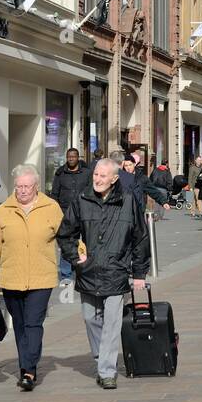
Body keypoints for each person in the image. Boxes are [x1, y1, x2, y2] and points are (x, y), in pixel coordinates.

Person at [57, 158, 150, 389]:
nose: (97, 179)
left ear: (114, 179)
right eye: (96, 174)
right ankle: (102, 359)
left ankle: (107, 371)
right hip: (88, 272)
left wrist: (139, 273)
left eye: (103, 176)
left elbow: (140, 239)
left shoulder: (128, 202)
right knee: (90, 318)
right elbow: (65, 233)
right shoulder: (82, 199)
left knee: (111, 322)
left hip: (117, 271)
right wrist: (75, 258)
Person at [0, 165, 65, 392]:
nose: (23, 191)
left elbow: (67, 236)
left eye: (27, 186)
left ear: (36, 186)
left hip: (41, 277)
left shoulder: (51, 207)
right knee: (19, 324)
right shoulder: (4, 210)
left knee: (33, 322)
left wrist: (81, 255)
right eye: (19, 186)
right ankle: (26, 366)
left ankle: (29, 369)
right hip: (11, 278)